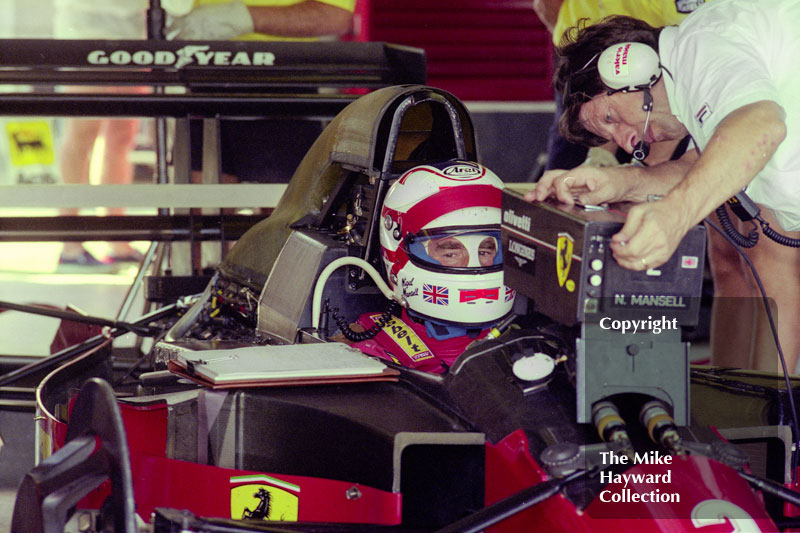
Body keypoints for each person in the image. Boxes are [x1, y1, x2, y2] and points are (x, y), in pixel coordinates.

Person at [526, 0, 800, 373]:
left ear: (629, 65)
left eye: (611, 118)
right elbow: (699, 165)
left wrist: (673, 216)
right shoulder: (691, 85)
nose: (625, 143)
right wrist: (617, 181)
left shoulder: (703, 46)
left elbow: (759, 125)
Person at [344, 160, 515, 374]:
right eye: (450, 252)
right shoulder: (369, 358)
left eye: (485, 251)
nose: (472, 264)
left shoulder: (525, 346)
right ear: (396, 251)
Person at [165, 0, 356, 186]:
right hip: (206, 67)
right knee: (199, 204)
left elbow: (335, 15)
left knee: (279, 207)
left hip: (280, 77)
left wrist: (242, 17)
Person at [532, 0, 708, 171]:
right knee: (566, 180)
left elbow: (683, 78)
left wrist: (646, 169)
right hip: (586, 67)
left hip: (656, 76)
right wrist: (601, 158)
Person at [54, 0, 148, 267]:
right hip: (84, 31)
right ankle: (70, 245)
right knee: (82, 133)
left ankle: (117, 241)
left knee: (122, 137)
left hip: (134, 34)